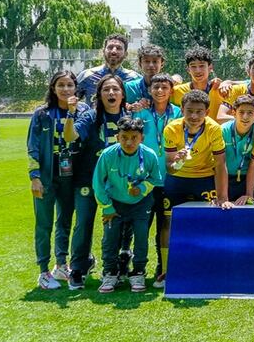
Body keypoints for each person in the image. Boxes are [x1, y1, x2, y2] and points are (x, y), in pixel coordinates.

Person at [27, 70, 87, 289]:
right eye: (60, 85)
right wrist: (34, 177)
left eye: (70, 85)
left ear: (76, 89)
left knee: (64, 221)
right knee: (43, 223)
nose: (65, 89)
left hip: (70, 175)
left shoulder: (82, 111)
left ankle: (61, 264)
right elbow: (32, 147)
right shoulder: (42, 114)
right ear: (53, 88)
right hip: (46, 175)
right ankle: (43, 271)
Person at [93, 116, 163, 293]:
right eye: (124, 137)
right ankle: (110, 272)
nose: (129, 142)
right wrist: (107, 207)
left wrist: (141, 187)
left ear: (142, 138)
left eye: (134, 137)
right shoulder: (108, 155)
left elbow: (155, 179)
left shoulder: (149, 155)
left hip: (141, 203)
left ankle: (138, 271)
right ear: (117, 137)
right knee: (110, 237)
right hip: (115, 203)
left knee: (141, 236)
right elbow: (98, 183)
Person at [71, 75, 127, 288]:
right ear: (99, 94)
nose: (111, 93)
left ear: (122, 94)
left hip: (118, 183)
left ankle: (115, 266)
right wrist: (70, 115)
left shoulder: (128, 117)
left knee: (116, 226)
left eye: (115, 89)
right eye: (106, 90)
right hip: (88, 179)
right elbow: (71, 136)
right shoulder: (90, 116)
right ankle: (78, 267)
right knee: (84, 223)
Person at [131, 73, 181, 289]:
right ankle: (137, 270)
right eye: (156, 87)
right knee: (141, 227)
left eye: (164, 87)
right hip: (146, 179)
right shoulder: (140, 113)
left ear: (171, 91)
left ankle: (164, 269)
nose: (160, 91)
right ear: (149, 90)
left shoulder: (180, 113)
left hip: (170, 179)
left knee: (166, 226)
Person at [163, 90, 232, 213]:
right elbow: (170, 168)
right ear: (182, 109)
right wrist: (178, 163)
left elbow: (220, 164)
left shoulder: (214, 129)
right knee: (170, 221)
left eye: (199, 112)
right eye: (189, 111)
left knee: (209, 218)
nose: (194, 116)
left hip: (204, 177)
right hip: (178, 177)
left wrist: (223, 198)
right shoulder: (171, 129)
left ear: (207, 112)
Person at [77, 33, 141, 105]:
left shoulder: (135, 79)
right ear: (103, 51)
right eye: (110, 47)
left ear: (125, 54)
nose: (114, 51)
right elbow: (70, 100)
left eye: (118, 48)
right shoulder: (87, 75)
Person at [224, 95, 254, 205]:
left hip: (249, 180)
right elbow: (219, 164)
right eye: (241, 112)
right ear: (234, 113)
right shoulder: (223, 131)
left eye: (250, 113)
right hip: (225, 178)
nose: (245, 116)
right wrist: (223, 196)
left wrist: (252, 194)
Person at [171, 46, 224, 120]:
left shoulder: (221, 90)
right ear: (188, 69)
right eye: (193, 66)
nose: (198, 70)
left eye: (202, 66)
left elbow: (245, 86)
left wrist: (230, 82)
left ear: (210, 67)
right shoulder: (175, 91)